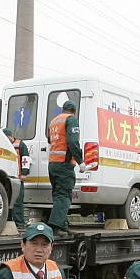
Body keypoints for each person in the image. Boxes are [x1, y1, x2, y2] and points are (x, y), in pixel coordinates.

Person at [47, 99, 83, 237]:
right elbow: (72, 142)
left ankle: (63, 225)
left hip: (53, 163)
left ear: (63, 109)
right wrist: (80, 161)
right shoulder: (71, 120)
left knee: (57, 194)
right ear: (74, 111)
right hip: (64, 164)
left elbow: (51, 142)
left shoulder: (54, 121)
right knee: (64, 195)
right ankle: (55, 226)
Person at [4, 128, 31, 227]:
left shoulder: (20, 145)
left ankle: (19, 222)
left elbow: (25, 159)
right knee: (7, 200)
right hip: (7, 178)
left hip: (18, 177)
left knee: (18, 200)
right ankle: (8, 221)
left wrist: (24, 173)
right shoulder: (4, 144)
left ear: (11, 136)